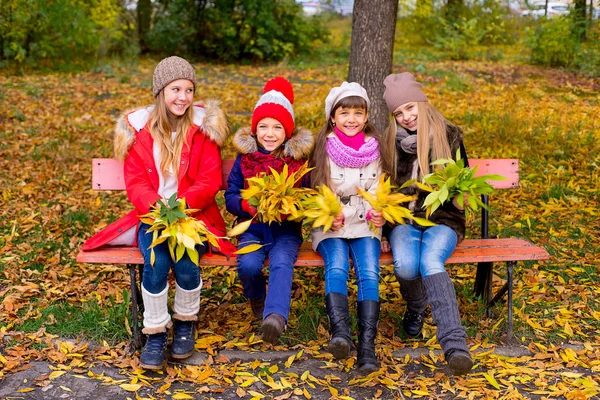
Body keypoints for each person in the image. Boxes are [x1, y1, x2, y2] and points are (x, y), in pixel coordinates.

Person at [83, 56, 234, 369]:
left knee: (187, 261)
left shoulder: (202, 132)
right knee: (155, 261)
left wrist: (182, 205)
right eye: (175, 89)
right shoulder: (140, 133)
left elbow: (210, 180)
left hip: (193, 216)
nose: (183, 97)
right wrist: (156, 207)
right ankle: (154, 331)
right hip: (153, 217)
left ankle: (184, 322)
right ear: (161, 92)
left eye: (189, 90)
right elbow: (136, 182)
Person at [382, 72, 473, 376]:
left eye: (410, 107)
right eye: (398, 112)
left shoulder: (449, 136)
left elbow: (463, 183)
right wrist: (383, 230)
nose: (406, 117)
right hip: (404, 221)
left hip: (442, 221)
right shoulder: (389, 142)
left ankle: (454, 345)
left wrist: (457, 196)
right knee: (407, 265)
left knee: (430, 259)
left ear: (422, 102)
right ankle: (417, 306)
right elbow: (382, 190)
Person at [309, 82, 391, 374]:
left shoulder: (376, 148)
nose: (352, 119)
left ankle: (367, 346)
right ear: (333, 117)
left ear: (367, 116)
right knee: (337, 267)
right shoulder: (323, 147)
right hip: (332, 222)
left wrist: (378, 214)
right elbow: (316, 189)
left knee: (369, 271)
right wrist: (328, 215)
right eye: (345, 113)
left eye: (358, 112)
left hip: (365, 223)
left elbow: (380, 189)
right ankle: (341, 333)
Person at [224, 77, 314, 345]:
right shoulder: (245, 161)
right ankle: (257, 299)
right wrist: (246, 205)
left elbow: (307, 197)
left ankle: (275, 317)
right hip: (252, 227)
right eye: (263, 126)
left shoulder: (297, 162)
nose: (270, 133)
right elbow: (230, 194)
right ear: (254, 131)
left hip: (286, 230)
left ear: (287, 132)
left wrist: (290, 207)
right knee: (249, 264)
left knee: (282, 261)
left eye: (277, 127)